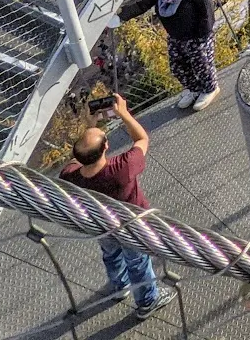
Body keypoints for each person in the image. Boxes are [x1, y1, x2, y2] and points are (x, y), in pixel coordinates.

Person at [61, 94, 172, 319]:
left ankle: (119, 287)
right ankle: (147, 301)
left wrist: (90, 127)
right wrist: (123, 114)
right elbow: (142, 139)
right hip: (131, 225)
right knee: (138, 261)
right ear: (106, 147)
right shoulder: (121, 169)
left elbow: (75, 160)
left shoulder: (71, 177)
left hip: (101, 224)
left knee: (111, 255)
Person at [129, 0, 219, 111]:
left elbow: (207, 15)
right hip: (176, 36)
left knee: (201, 64)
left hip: (197, 36)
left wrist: (200, 39)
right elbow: (143, 4)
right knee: (178, 67)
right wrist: (120, 15)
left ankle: (210, 88)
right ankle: (194, 89)